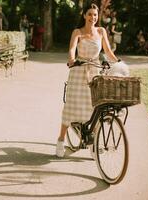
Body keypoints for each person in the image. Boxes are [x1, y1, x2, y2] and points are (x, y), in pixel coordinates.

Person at [56, 3, 121, 157]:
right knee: (71, 106)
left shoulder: (101, 31)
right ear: (84, 15)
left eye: (95, 15)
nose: (93, 17)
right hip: (78, 70)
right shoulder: (77, 32)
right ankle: (60, 140)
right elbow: (72, 49)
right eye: (90, 14)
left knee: (95, 108)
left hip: (95, 71)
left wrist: (119, 62)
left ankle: (93, 143)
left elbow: (108, 51)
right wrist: (72, 59)